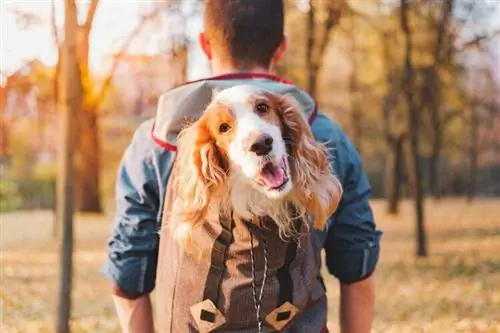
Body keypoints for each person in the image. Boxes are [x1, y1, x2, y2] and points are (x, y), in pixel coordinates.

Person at [101, 1, 382, 332]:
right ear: (281, 47)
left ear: (205, 44)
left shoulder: (151, 143)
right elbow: (357, 273)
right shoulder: (328, 136)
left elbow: (127, 280)